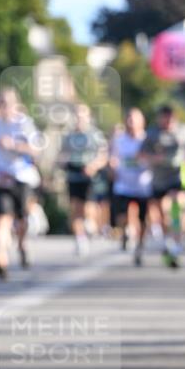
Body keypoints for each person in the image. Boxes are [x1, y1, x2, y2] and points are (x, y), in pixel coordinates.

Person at [0, 89, 41, 279]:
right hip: (1, 179)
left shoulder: (24, 124)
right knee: (2, 221)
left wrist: (14, 145)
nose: (4, 108)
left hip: (21, 177)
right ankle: (1, 259)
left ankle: (22, 245)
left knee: (21, 220)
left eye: (7, 104)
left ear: (15, 105)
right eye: (1, 104)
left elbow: (36, 150)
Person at [141, 105, 185, 268]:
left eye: (171, 118)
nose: (168, 121)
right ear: (160, 118)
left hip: (178, 176)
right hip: (158, 179)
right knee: (161, 213)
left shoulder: (184, 130)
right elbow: (142, 154)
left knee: (175, 205)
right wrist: (154, 158)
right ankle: (168, 240)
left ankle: (177, 241)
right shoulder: (152, 133)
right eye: (165, 118)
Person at [58, 103, 108, 256]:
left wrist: (93, 166)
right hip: (73, 174)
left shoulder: (95, 134)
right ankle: (80, 239)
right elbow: (61, 155)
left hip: (90, 175)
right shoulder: (68, 136)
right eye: (76, 116)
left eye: (82, 115)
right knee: (75, 208)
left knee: (88, 207)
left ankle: (91, 224)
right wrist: (62, 162)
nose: (79, 119)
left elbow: (103, 155)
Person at [109, 108, 152, 266]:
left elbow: (154, 157)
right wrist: (112, 166)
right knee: (123, 215)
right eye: (129, 119)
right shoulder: (119, 139)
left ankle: (139, 246)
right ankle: (125, 232)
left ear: (142, 122)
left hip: (143, 185)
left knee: (142, 219)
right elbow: (113, 157)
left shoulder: (147, 139)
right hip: (123, 185)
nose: (131, 123)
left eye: (134, 120)